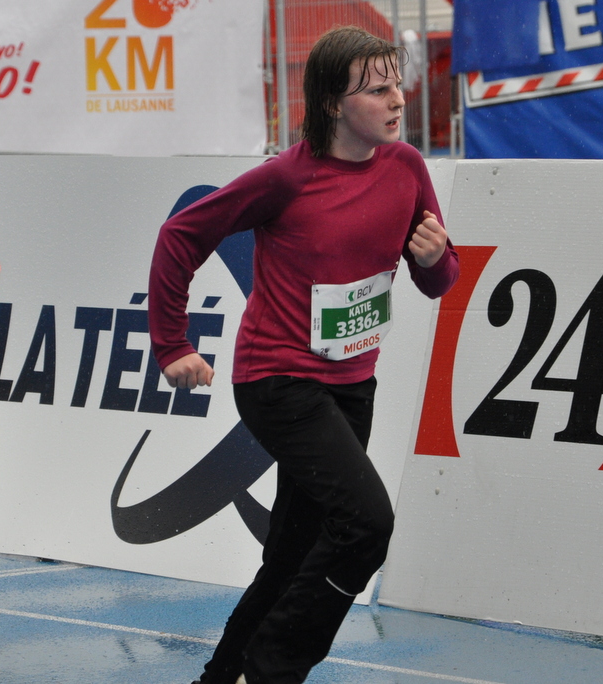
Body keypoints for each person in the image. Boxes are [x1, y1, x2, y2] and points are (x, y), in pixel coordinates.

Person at [148, 26, 459, 684]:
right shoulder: (286, 178)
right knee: (367, 524)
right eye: (376, 90)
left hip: (353, 383)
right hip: (279, 380)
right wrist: (172, 342)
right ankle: (272, 670)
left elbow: (437, 278)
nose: (397, 100)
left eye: (396, 85)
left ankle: (222, 676)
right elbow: (181, 235)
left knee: (293, 554)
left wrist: (435, 260)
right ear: (331, 104)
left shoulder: (406, 168)